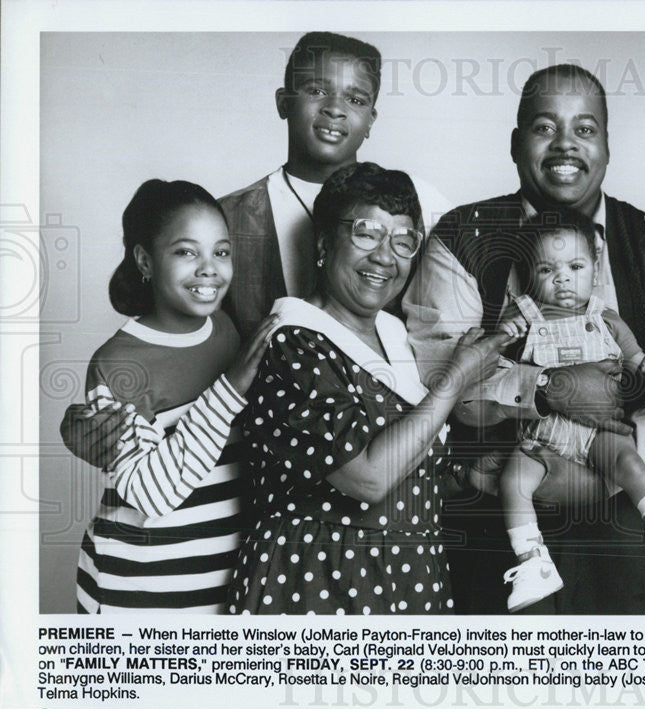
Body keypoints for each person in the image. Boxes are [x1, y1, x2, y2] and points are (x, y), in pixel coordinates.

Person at [403, 64, 645, 614]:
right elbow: (438, 379)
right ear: (516, 143)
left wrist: (597, 481)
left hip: (626, 538)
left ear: (608, 147)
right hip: (495, 529)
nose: (565, 144)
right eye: (545, 127)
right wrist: (546, 387)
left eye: (585, 128)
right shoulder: (461, 237)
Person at [60, 31, 451, 465]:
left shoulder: (422, 206)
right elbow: (184, 342)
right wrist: (101, 416)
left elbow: (443, 336)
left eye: (356, 100)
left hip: (390, 462)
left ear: (373, 119)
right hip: (258, 472)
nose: (335, 109)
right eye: (316, 90)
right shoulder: (228, 219)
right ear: (283, 101)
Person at [228, 163, 507, 615]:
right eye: (366, 234)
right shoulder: (292, 339)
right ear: (323, 243)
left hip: (406, 579)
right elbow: (368, 478)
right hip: (319, 583)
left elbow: (408, 467)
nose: (385, 257)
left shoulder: (397, 335)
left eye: (403, 241)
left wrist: (465, 477)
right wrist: (457, 378)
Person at [76, 180, 278, 613]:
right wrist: (229, 390)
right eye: (187, 252)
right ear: (145, 261)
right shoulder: (118, 364)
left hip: (223, 583)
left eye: (221, 252)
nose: (209, 269)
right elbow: (151, 494)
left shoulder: (224, 329)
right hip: (139, 588)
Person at [496, 210, 645, 611]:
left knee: (628, 460)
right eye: (546, 269)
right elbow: (495, 359)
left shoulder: (605, 318)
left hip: (598, 434)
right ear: (528, 274)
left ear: (595, 265)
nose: (562, 278)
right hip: (545, 437)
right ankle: (533, 562)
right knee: (512, 480)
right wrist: (507, 332)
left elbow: (638, 364)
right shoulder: (524, 314)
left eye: (575, 266)